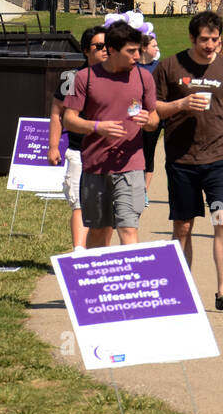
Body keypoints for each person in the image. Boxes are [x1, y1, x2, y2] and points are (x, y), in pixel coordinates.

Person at [151, 11, 223, 311]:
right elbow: (153, 109)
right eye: (204, 39)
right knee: (184, 227)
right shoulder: (169, 66)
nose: (210, 45)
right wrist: (180, 103)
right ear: (192, 38)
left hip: (219, 160)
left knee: (222, 222)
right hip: (181, 160)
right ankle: (180, 293)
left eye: (215, 40)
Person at [61, 21, 159, 250]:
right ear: (112, 50)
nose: (138, 55)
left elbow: (154, 119)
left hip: (131, 165)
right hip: (95, 165)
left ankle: (130, 282)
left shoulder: (144, 78)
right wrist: (98, 127)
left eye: (139, 50)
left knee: (128, 227)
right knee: (98, 230)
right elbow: (69, 119)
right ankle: (101, 279)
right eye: (131, 51)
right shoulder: (84, 78)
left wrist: (148, 121)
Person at [48, 24, 106, 250]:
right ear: (85, 50)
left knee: (105, 208)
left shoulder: (119, 78)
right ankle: (79, 254)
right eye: (99, 46)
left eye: (108, 46)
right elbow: (56, 113)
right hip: (78, 152)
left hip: (107, 154)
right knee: (80, 204)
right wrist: (54, 147)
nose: (105, 50)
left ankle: (99, 254)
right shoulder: (72, 78)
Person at [138, 32, 161, 201]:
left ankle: (143, 192)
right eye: (154, 46)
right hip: (135, 116)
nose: (157, 48)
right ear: (144, 48)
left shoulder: (159, 68)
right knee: (135, 151)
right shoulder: (132, 67)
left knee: (149, 152)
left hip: (154, 117)